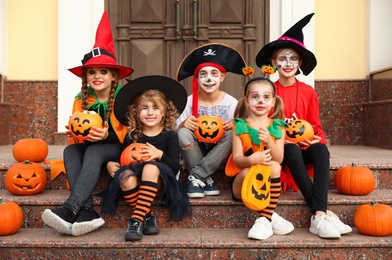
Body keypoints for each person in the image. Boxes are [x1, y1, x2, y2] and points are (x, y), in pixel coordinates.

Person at [255, 13, 352, 239]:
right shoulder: (266, 91)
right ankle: (323, 212)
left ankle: (319, 214)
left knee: (320, 150)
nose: (288, 64)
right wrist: (282, 139)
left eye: (293, 59)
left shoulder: (308, 91)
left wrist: (316, 138)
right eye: (282, 58)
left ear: (299, 64)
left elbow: (315, 127)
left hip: (303, 145)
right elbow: (263, 125)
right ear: (273, 62)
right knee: (290, 148)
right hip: (280, 149)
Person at [41, 11, 134, 236]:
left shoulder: (125, 97)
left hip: (118, 147)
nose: (97, 76)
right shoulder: (80, 99)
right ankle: (86, 211)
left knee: (94, 151)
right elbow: (79, 136)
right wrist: (75, 132)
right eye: (91, 72)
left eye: (103, 71)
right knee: (71, 151)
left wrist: (105, 136)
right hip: (93, 147)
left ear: (114, 76)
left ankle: (71, 207)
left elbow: (131, 135)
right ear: (86, 77)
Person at [106, 75, 191, 241]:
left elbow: (174, 167)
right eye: (144, 108)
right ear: (136, 112)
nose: (150, 112)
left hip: (161, 184)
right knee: (124, 175)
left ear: (165, 111)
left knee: (150, 167)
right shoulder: (132, 136)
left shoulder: (170, 136)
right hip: (136, 185)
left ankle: (136, 220)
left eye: (156, 108)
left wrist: (159, 155)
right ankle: (148, 216)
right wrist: (111, 164)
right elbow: (125, 159)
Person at [225, 76, 294, 240]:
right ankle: (270, 216)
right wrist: (252, 159)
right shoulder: (239, 125)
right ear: (247, 101)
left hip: (265, 183)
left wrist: (269, 141)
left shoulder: (277, 126)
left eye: (266, 97)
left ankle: (264, 219)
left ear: (273, 101)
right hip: (241, 183)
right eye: (255, 97)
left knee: (275, 167)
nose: (260, 101)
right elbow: (237, 159)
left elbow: (279, 159)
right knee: (248, 171)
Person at [176, 43, 248, 198]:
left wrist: (236, 125)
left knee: (234, 133)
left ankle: (196, 175)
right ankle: (205, 177)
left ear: (222, 77)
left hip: (220, 153)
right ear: (197, 78)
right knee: (182, 133)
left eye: (214, 74)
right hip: (195, 150)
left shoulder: (231, 103)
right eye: (203, 75)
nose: (209, 79)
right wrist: (182, 125)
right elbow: (175, 131)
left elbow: (243, 131)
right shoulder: (188, 102)